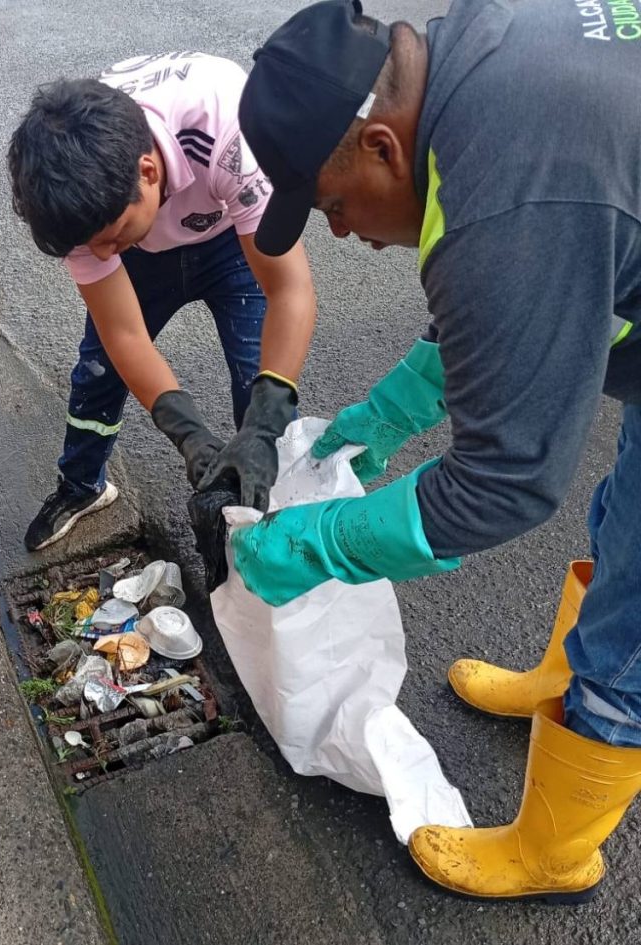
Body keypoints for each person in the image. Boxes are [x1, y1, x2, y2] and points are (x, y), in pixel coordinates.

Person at [232, 0, 641, 904]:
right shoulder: (482, 50)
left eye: (333, 205)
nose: (339, 233)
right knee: (622, 517)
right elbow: (523, 303)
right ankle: (559, 682)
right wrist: (394, 408)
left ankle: (555, 849)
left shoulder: (511, 191)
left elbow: (503, 484)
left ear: (381, 146)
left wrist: (321, 541)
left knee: (634, 621)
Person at [7, 52, 316, 551]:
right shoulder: (79, 209)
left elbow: (290, 288)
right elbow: (123, 332)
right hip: (145, 253)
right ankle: (82, 485)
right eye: (91, 248)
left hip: (230, 234)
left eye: (110, 237)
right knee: (100, 370)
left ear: (148, 171)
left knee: (258, 378)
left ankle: (276, 513)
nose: (102, 255)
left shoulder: (230, 127)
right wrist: (187, 433)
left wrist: (265, 421)